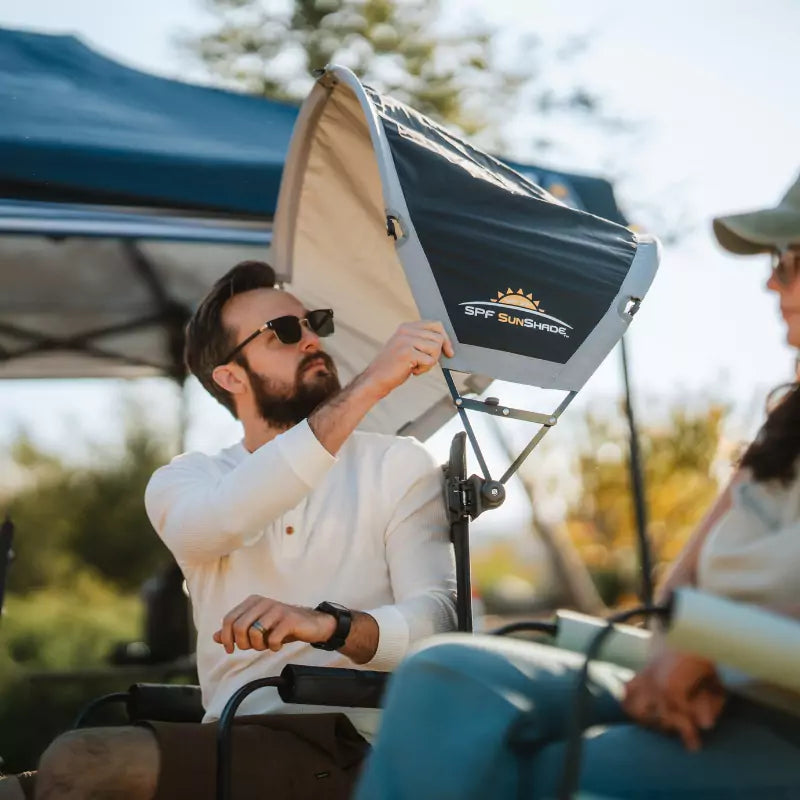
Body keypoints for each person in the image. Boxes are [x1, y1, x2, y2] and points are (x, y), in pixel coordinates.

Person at [354, 172, 800, 799]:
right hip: (703, 678)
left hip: (780, 717)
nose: (772, 281)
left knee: (542, 770)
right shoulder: (786, 424)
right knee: (443, 674)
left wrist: (713, 653)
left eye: (790, 259)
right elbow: (683, 582)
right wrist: (673, 654)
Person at [1, 260, 457, 800]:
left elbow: (438, 626)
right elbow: (220, 521)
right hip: (226, 741)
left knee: (79, 762)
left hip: (355, 743)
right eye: (285, 332)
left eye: (313, 322)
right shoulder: (186, 479)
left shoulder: (399, 462)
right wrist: (368, 387)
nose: (310, 339)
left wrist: (327, 625)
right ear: (230, 377)